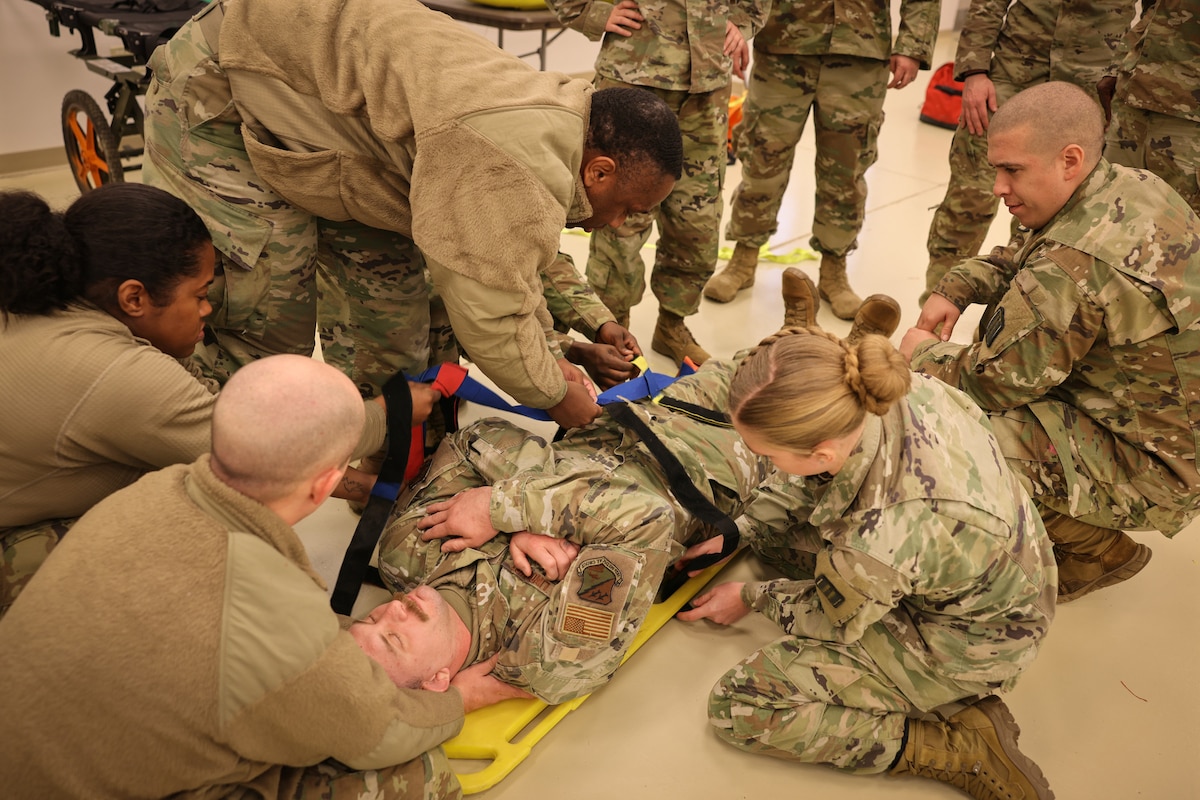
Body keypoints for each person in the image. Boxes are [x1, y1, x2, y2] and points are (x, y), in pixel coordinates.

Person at [143, 0, 682, 429]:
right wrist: (557, 394)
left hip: (332, 119)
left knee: (392, 309)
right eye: (628, 210)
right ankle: (220, 478)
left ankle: (385, 449)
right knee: (267, 323)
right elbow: (492, 310)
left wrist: (591, 326)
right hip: (226, 85)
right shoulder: (503, 149)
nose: (616, 224)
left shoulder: (561, 126)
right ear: (601, 173)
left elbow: (516, 253)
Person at [0, 355, 517, 799]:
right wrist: (459, 699)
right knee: (416, 773)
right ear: (329, 484)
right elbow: (380, 731)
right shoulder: (274, 615)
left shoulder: (148, 492)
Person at [0, 185, 416, 615]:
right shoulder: (111, 373)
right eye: (198, 295)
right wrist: (387, 415)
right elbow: (265, 451)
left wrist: (365, 485)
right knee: (209, 543)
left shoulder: (41, 301)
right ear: (134, 297)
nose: (206, 309)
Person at [678, 327, 1057, 799]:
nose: (765, 461)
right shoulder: (889, 390)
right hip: (1003, 566)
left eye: (766, 454)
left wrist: (752, 597)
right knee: (773, 541)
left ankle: (953, 746)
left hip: (970, 641)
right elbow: (813, 481)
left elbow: (832, 618)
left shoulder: (883, 536)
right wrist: (743, 529)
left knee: (742, 706)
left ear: (820, 453)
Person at [902, 81, 1200, 602]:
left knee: (946, 427)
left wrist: (917, 353)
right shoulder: (1128, 185)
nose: (998, 186)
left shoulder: (1072, 264)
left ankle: (1096, 547)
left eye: (1012, 170)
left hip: (1162, 470)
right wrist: (960, 284)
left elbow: (989, 384)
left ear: (1069, 159)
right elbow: (1025, 257)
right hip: (1169, 427)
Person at [361, 358, 774, 703]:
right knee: (810, 390)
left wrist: (520, 518)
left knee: (767, 357)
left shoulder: (408, 551)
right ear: (438, 681)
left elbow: (480, 437)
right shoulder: (546, 653)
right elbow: (645, 518)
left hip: (635, 416)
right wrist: (511, 508)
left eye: (373, 617)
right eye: (395, 638)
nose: (395, 609)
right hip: (725, 461)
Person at [544, 0, 769, 365]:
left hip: (708, 82)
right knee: (618, 218)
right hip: (633, 72)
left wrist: (744, 22)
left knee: (697, 216)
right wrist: (592, 11)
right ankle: (612, 327)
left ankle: (672, 325)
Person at [705, 0, 939, 319]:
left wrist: (913, 44)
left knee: (846, 169)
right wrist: (737, 24)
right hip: (783, 41)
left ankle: (833, 271)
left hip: (861, 48)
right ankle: (743, 259)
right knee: (762, 158)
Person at [919, 0, 1137, 304]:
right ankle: (938, 301)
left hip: (1091, 85)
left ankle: (1014, 318)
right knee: (968, 197)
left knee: (1056, 213)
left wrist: (1125, 79)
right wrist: (975, 70)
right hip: (1013, 72)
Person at [1101, 0, 1200, 215]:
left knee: (1182, 229)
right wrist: (1117, 66)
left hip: (1189, 118)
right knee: (1107, 213)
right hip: (1133, 95)